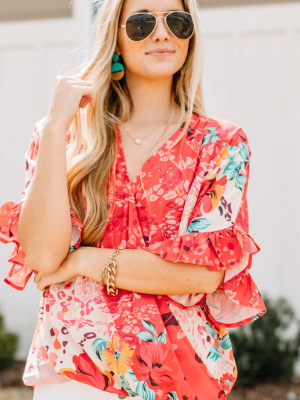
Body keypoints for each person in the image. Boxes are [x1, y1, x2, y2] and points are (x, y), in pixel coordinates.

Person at [0, 0, 267, 399]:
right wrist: (55, 127)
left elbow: (202, 274)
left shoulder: (221, 144)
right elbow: (41, 256)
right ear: (116, 38)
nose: (162, 33)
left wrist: (82, 260)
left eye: (177, 21)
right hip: (77, 371)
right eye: (142, 22)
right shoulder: (67, 137)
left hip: (180, 375)